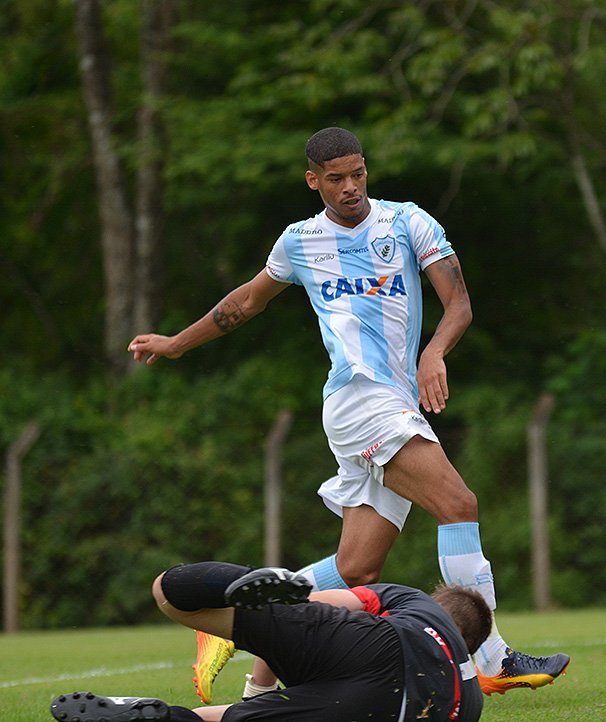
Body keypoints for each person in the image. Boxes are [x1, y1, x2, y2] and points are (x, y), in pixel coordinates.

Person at [127, 127, 569, 699]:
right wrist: (176, 344)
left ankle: (244, 639)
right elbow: (245, 301)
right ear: (314, 180)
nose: (350, 187)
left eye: (357, 174)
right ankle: (491, 655)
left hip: (392, 403)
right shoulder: (299, 241)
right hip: (359, 399)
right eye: (335, 178)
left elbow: (458, 302)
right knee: (458, 504)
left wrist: (434, 351)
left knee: (356, 569)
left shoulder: (407, 222)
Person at [49, 563, 492, 722]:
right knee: (233, 720)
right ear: (466, 649)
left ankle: (237, 581)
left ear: (441, 604)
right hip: (419, 708)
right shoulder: (472, 698)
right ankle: (156, 716)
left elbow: (337, 603)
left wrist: (260, 686)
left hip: (381, 644)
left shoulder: (419, 606)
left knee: (170, 592)